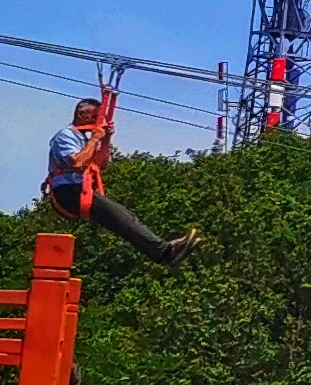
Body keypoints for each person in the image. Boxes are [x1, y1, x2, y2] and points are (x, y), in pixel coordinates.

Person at [45, 98, 200, 266]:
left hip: (81, 190)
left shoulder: (85, 139)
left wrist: (105, 139)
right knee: (122, 218)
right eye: (96, 117)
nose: (99, 122)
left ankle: (163, 253)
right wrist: (96, 138)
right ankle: (164, 252)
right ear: (82, 114)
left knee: (124, 218)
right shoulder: (66, 135)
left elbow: (101, 164)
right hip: (68, 191)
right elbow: (77, 162)